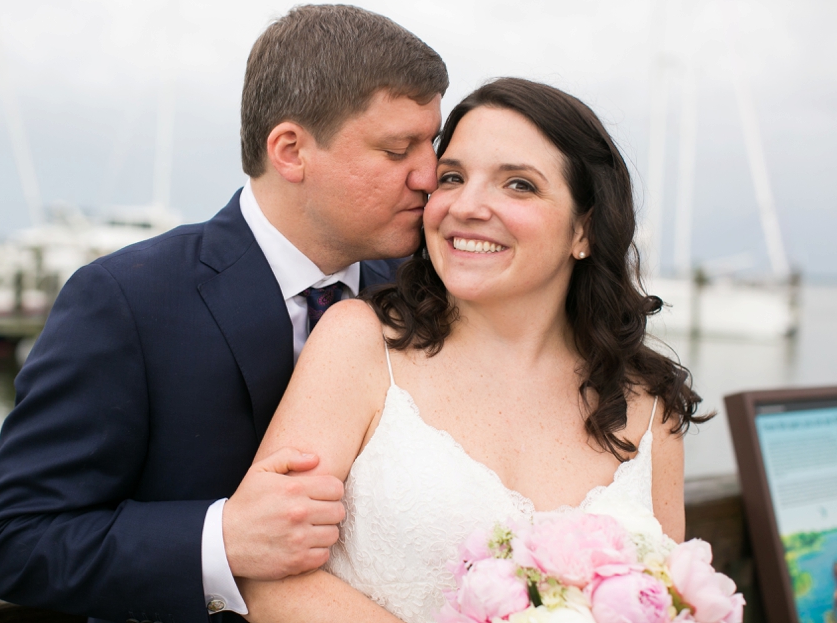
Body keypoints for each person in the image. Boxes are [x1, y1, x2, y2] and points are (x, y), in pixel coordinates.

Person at [0, 4, 448, 623]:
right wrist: (219, 540)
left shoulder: (423, 296)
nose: (430, 175)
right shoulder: (125, 300)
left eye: (431, 142)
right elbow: (13, 540)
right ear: (291, 151)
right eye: (396, 149)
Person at [236, 78, 710, 623]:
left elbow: (672, 601)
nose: (466, 205)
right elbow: (266, 577)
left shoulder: (652, 408)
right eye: (452, 177)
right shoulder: (360, 342)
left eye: (519, 186)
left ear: (585, 229)